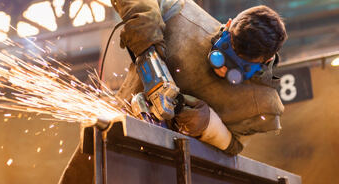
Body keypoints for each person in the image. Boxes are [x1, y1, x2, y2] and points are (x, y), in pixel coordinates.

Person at [59, 0, 287, 183]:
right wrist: (144, 24)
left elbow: (234, 146)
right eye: (223, 53)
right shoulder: (182, 15)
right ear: (227, 25)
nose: (223, 67)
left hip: (173, 172)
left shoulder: (262, 105)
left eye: (237, 69)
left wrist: (209, 125)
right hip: (115, 136)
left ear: (266, 61)